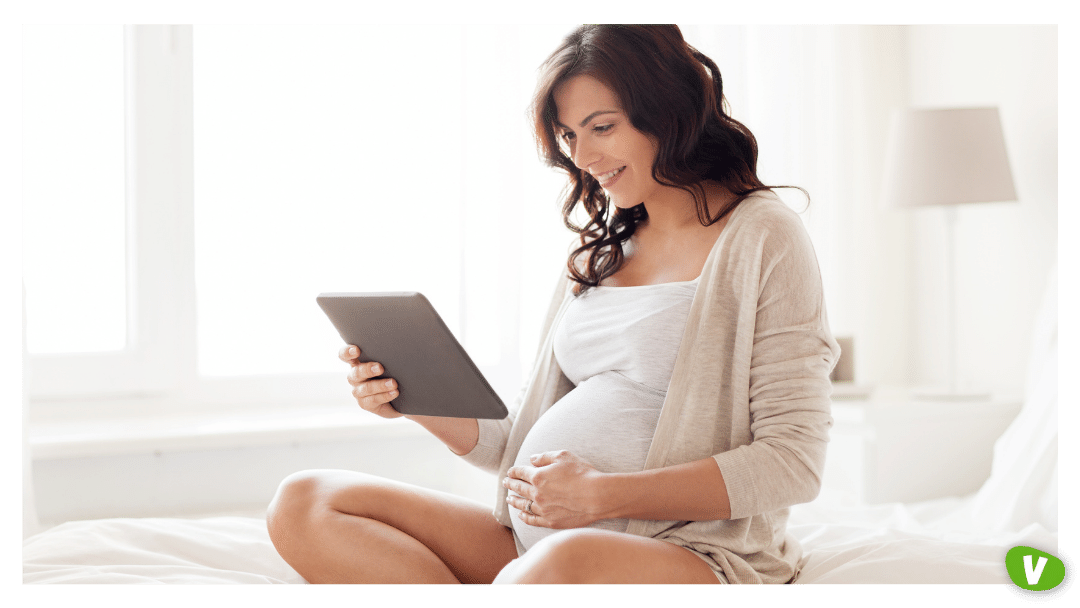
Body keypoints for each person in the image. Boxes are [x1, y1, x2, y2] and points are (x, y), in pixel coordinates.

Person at [266, 24, 839, 585]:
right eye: (568, 136)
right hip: (535, 547)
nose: (583, 155)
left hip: (680, 551)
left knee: (557, 568)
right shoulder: (598, 253)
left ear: (668, 110)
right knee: (305, 501)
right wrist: (411, 401)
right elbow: (516, 444)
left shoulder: (764, 235)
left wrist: (599, 496)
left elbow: (793, 461)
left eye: (602, 127)